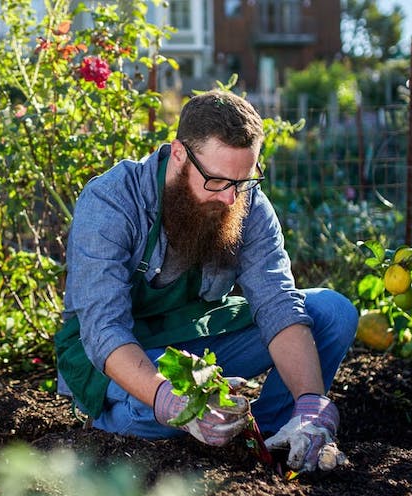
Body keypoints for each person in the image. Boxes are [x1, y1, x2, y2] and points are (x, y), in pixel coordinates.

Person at [54, 89, 358, 473]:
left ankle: (272, 437)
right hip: (117, 353)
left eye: (243, 181)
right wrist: (169, 399)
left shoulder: (245, 202)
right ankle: (112, 426)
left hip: (194, 340)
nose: (231, 198)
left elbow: (277, 302)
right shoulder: (112, 201)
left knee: (332, 312)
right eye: (216, 181)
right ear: (179, 154)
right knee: (154, 414)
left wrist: (311, 403)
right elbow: (104, 330)